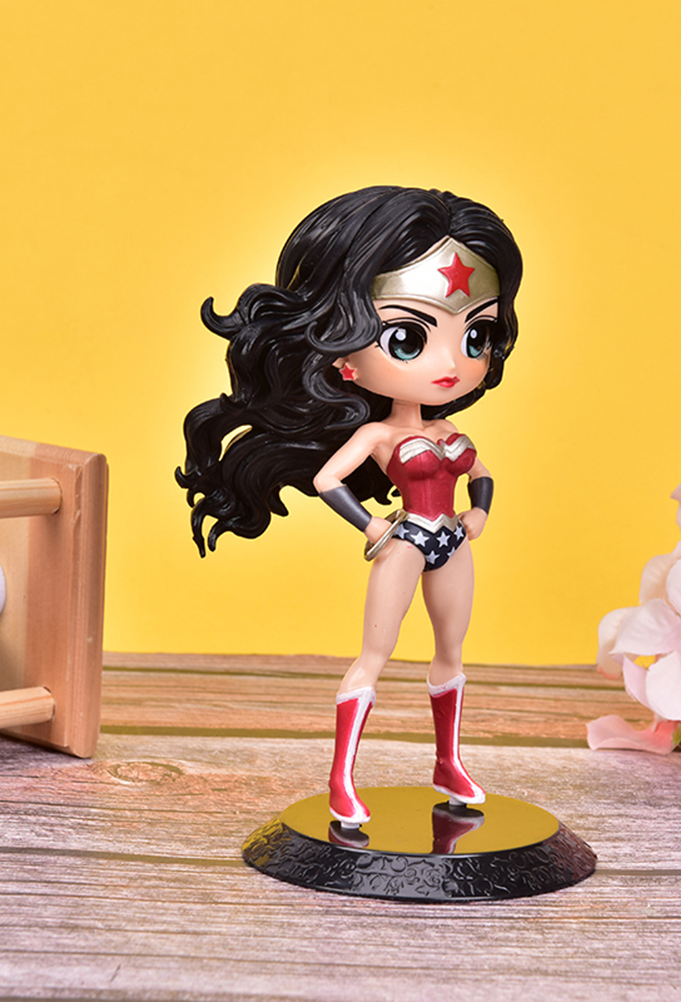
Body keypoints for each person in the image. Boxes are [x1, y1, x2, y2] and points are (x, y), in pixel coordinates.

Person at [177, 186, 522, 826]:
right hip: (407, 541)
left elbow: (483, 476)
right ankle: (342, 780)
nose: (451, 363)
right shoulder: (377, 436)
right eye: (408, 338)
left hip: (451, 541)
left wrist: (479, 513)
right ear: (344, 351)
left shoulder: (447, 430)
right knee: (374, 656)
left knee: (451, 653)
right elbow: (327, 479)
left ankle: (448, 763)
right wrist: (371, 524)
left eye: (476, 334)